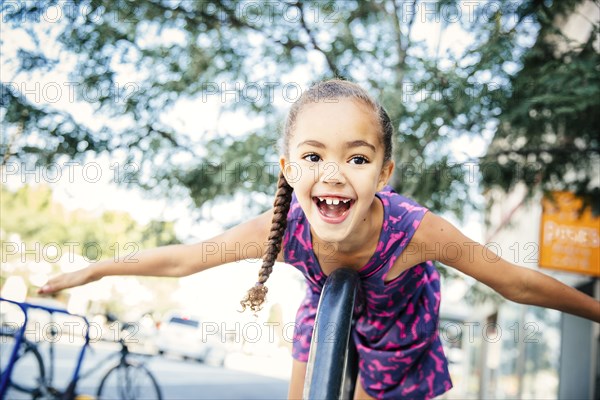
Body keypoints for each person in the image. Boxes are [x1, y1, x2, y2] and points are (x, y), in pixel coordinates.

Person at [40, 79, 600, 399]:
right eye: (313, 156)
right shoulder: (280, 230)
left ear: (384, 173)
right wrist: (93, 270)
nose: (333, 173)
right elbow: (184, 259)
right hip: (324, 310)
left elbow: (517, 282)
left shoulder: (416, 232)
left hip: (397, 327)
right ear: (288, 169)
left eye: (357, 158)